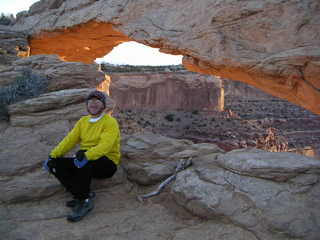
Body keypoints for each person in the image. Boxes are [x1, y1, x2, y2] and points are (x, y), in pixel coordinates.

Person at [43, 90, 121, 222]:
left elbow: (105, 146)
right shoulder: (83, 121)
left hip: (107, 162)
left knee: (84, 164)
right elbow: (70, 140)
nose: (93, 103)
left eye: (97, 101)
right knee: (55, 165)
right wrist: (53, 155)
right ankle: (81, 195)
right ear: (86, 105)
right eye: (90, 101)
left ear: (103, 105)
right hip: (85, 158)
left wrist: (87, 155)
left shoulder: (110, 122)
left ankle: (85, 201)